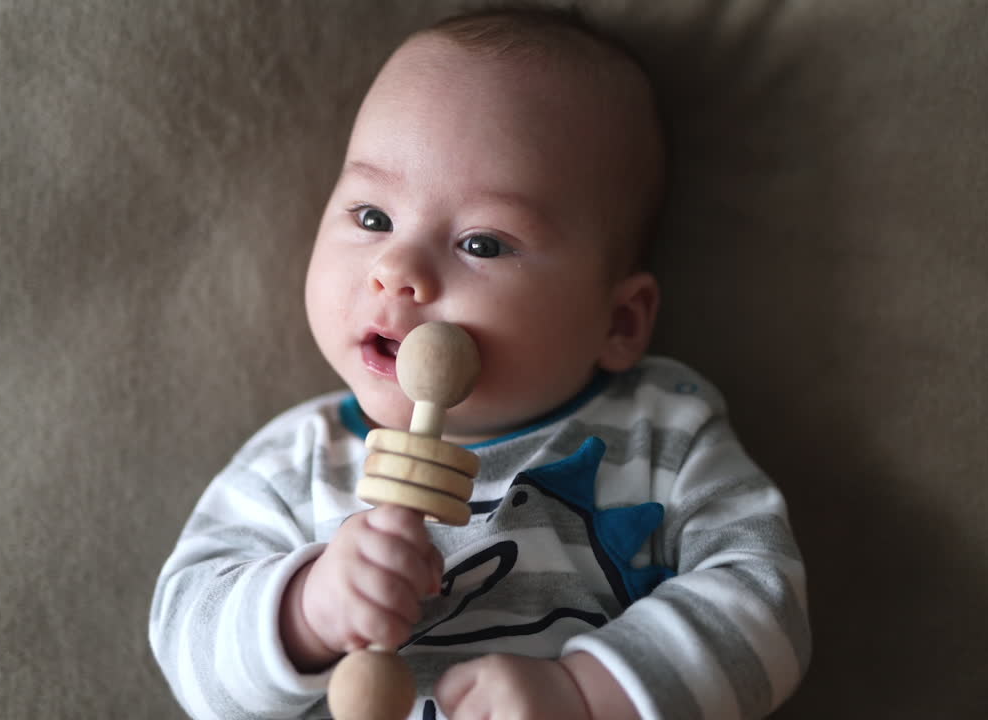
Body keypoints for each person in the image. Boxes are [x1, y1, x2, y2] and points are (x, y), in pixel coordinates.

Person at [150, 6, 810, 719]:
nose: (396, 268)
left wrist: (585, 695)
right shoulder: (299, 462)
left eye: (483, 244)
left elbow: (764, 605)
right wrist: (307, 610)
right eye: (373, 218)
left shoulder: (664, 434)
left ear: (617, 321)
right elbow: (186, 635)